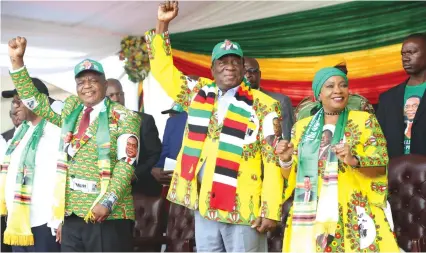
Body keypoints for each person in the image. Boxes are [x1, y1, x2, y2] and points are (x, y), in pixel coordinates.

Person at [145, 1, 284, 251]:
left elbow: (273, 161)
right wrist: (162, 24)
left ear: (243, 68)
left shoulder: (265, 105)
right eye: (222, 62)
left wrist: (271, 209)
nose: (229, 66)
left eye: (235, 62)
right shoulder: (198, 94)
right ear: (212, 69)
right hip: (205, 205)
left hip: (245, 208)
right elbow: (162, 69)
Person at [7, 37, 141, 252]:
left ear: (105, 85)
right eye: (81, 82)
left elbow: (126, 164)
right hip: (72, 216)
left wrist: (107, 202)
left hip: (109, 215)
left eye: (93, 80)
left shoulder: (124, 116)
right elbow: (35, 101)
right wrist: (17, 63)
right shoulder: (71, 109)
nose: (86, 86)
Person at [275, 67, 399, 252]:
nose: (338, 90)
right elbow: (291, 177)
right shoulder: (301, 128)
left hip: (354, 210)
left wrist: (353, 159)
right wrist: (285, 160)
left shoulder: (365, 121)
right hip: (311, 213)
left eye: (343, 85)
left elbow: (380, 166)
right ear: (318, 94)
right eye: (330, 86)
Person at [0, 80, 61, 252]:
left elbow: (62, 175)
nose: (16, 105)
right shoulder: (21, 131)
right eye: (14, 101)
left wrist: (60, 220)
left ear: (38, 100)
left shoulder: (55, 129)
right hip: (18, 222)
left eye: (20, 99)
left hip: (44, 221)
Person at [105, 79, 162, 196]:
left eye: (120, 94)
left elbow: (155, 155)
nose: (116, 98)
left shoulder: (144, 120)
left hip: (139, 189)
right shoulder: (98, 124)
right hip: (106, 189)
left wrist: (135, 174)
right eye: (111, 95)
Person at [377, 33, 426, 158]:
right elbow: (378, 141)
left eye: (412, 52)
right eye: (403, 54)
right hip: (395, 174)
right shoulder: (387, 99)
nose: (405, 58)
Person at [295, 56, 375, 121]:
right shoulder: (304, 108)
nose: (340, 75)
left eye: (344, 72)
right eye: (330, 85)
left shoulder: (360, 104)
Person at [244, 57, 294, 141]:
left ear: (259, 74)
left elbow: (286, 139)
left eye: (252, 70)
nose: (248, 75)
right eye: (244, 71)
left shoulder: (280, 101)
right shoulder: (228, 101)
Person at [152, 103, 187, 187]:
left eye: (171, 113)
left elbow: (166, 149)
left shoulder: (172, 122)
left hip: (174, 173)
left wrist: (158, 168)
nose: (170, 115)